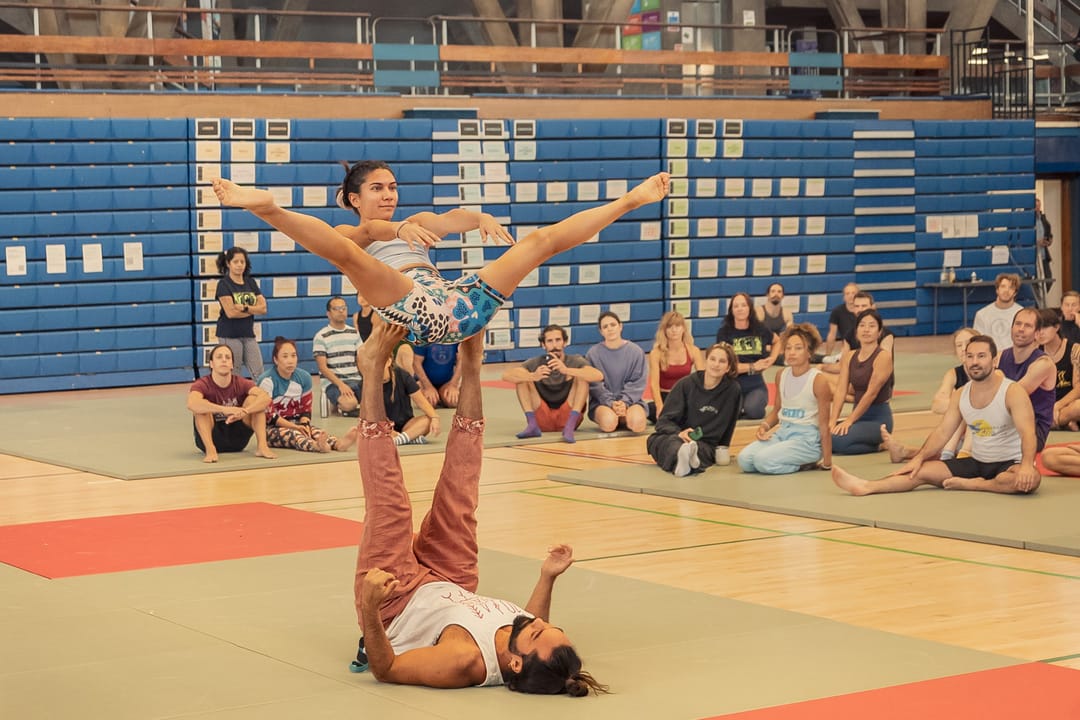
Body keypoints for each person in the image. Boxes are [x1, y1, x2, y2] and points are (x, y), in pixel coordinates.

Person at [352, 325, 605, 695]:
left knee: (391, 505)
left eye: (537, 632)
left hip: (396, 599)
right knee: (462, 490)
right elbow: (535, 620)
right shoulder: (523, 638)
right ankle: (471, 363)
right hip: (451, 580)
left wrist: (370, 609)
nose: (535, 621)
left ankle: (374, 369)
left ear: (514, 663)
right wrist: (547, 577)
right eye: (549, 626)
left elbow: (386, 669)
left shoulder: (463, 661)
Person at [212, 167, 669, 346]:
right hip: (407, 307)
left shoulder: (417, 220)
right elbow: (368, 233)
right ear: (354, 198)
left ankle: (630, 200)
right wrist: (397, 229)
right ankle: (268, 207)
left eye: (393, 187)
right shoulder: (353, 231)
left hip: (457, 305)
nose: (389, 195)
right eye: (377, 189)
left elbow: (452, 218)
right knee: (350, 256)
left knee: (540, 242)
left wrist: (480, 216)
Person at [832, 335, 1041, 495]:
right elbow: (942, 432)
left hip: (1010, 463)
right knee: (919, 471)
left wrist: (1026, 466)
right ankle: (867, 486)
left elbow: (1028, 434)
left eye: (981, 356)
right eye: (970, 356)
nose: (975, 362)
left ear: (994, 361)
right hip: (976, 462)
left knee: (1028, 481)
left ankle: (976, 485)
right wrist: (919, 458)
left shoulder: (1012, 392)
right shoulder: (961, 394)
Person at [739, 324, 834, 475]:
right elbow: (777, 411)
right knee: (744, 460)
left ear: (809, 352)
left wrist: (827, 462)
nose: (792, 352)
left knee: (762, 461)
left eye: (798, 348)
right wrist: (764, 426)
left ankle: (804, 464)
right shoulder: (781, 375)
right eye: (788, 348)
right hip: (783, 433)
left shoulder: (818, 380)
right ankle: (791, 460)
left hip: (806, 441)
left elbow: (824, 425)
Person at [881, 327, 976, 463]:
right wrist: (961, 405)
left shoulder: (991, 372)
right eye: (959, 345)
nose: (963, 349)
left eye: (968, 343)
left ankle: (909, 452)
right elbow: (937, 405)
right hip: (960, 435)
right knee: (956, 412)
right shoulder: (953, 374)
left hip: (984, 431)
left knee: (962, 409)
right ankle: (908, 452)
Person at [646, 343, 741, 476]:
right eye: (712, 359)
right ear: (706, 361)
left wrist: (723, 448)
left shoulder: (732, 390)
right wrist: (679, 433)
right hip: (677, 436)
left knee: (700, 450)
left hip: (704, 443)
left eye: (722, 361)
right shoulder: (686, 384)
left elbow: (730, 423)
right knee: (659, 441)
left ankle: (685, 460)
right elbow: (663, 421)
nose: (716, 364)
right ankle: (684, 459)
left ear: (728, 368)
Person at [502, 324, 603, 444]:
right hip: (543, 418)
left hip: (567, 416)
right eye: (550, 341)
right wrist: (533, 376)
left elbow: (598, 375)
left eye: (558, 340)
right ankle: (532, 425)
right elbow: (506, 375)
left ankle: (570, 426)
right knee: (522, 378)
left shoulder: (575, 360)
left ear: (565, 342)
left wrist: (566, 370)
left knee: (582, 376)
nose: (554, 345)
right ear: (543, 345)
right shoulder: (536, 362)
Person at [258, 337, 357, 453]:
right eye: (285, 356)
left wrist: (304, 424)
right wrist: (295, 427)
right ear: (276, 360)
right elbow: (270, 416)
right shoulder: (267, 380)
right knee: (295, 435)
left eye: (293, 356)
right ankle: (316, 446)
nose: (290, 361)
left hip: (296, 423)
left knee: (315, 432)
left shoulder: (304, 377)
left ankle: (338, 444)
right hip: (271, 428)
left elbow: (306, 409)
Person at [187, 343, 276, 463]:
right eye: (219, 357)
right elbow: (192, 403)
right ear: (211, 364)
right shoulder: (202, 384)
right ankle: (211, 450)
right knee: (201, 407)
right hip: (212, 435)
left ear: (232, 365)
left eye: (228, 357)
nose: (224, 360)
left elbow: (265, 398)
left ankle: (262, 446)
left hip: (237, 438)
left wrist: (245, 411)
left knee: (254, 400)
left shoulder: (241, 382)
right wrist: (224, 409)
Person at [830, 309, 895, 455]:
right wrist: (833, 420)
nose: (866, 330)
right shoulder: (850, 356)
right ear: (856, 331)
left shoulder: (883, 357)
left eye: (872, 326)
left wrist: (849, 421)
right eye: (862, 325)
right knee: (820, 435)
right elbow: (841, 390)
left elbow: (871, 394)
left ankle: (879, 445)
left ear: (879, 332)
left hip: (878, 421)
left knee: (837, 440)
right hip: (858, 419)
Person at [997, 306, 1055, 450]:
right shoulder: (999, 356)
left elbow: (1014, 396)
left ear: (1037, 334)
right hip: (1003, 423)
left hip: (1032, 431)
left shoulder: (1043, 364)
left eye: (1028, 326)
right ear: (1011, 328)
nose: (1021, 329)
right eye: (1018, 324)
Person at [715, 292, 780, 419]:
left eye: (743, 305)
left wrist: (772, 359)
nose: (740, 309)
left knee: (754, 411)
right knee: (731, 415)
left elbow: (777, 341)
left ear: (749, 308)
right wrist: (752, 366)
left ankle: (748, 404)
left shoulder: (760, 329)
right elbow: (726, 366)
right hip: (732, 384)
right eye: (736, 306)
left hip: (755, 384)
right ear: (731, 310)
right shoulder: (724, 333)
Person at [586, 311, 649, 433]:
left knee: (637, 424)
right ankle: (615, 418)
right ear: (601, 331)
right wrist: (610, 403)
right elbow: (595, 385)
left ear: (620, 326)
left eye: (613, 325)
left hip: (631, 402)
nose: (610, 329)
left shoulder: (636, 352)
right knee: (609, 423)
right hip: (603, 404)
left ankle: (626, 418)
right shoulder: (593, 354)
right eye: (605, 326)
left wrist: (624, 402)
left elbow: (637, 382)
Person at [364, 348, 442, 446]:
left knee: (427, 420)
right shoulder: (368, 382)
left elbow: (420, 401)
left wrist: (435, 417)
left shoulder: (402, 375)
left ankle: (398, 439)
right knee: (371, 429)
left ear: (388, 362)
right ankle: (409, 438)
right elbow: (369, 415)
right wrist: (386, 429)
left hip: (407, 425)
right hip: (382, 426)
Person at [213, 246, 266, 377]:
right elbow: (231, 313)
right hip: (229, 335)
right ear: (228, 263)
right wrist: (254, 310)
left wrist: (244, 308)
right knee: (234, 373)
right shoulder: (224, 284)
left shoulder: (251, 282)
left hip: (248, 334)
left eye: (242, 262)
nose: (239, 265)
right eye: (236, 262)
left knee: (259, 373)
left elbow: (263, 308)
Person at [647, 311, 704, 421]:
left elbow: (702, 380)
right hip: (665, 397)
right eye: (669, 327)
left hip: (684, 396)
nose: (674, 330)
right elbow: (654, 384)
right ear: (664, 330)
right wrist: (659, 406)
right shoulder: (656, 353)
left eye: (677, 326)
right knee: (646, 410)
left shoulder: (693, 350)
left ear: (683, 329)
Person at [313, 296, 364, 417]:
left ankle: (351, 408)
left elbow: (361, 360)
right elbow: (322, 368)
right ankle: (347, 406)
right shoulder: (321, 336)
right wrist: (341, 385)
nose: (341, 311)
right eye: (336, 309)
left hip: (356, 380)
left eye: (343, 308)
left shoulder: (354, 333)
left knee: (381, 398)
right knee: (349, 404)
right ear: (328, 314)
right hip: (334, 383)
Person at [973, 273, 1021, 353]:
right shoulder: (982, 314)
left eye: (1011, 287)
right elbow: (977, 343)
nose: (1006, 290)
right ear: (997, 290)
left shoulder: (1022, 314)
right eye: (1003, 286)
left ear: (1015, 292)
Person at [413, 343, 461, 409]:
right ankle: (437, 397)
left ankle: (440, 397)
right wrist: (428, 387)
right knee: (429, 403)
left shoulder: (456, 338)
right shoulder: (423, 338)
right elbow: (416, 363)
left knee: (453, 402)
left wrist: (453, 385)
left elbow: (461, 360)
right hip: (425, 383)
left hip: (446, 382)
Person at [823, 282, 859, 357]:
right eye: (847, 293)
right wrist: (827, 355)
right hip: (847, 348)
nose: (850, 296)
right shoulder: (837, 312)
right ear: (844, 297)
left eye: (853, 293)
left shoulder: (865, 311)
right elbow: (832, 335)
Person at [1035, 197, 1053, 287]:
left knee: (1048, 280)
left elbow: (1049, 234)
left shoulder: (1044, 220)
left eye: (1039, 206)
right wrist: (1037, 242)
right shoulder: (1026, 221)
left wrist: (1049, 241)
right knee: (1035, 283)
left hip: (1043, 256)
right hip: (1033, 257)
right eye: (1035, 207)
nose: (1037, 209)